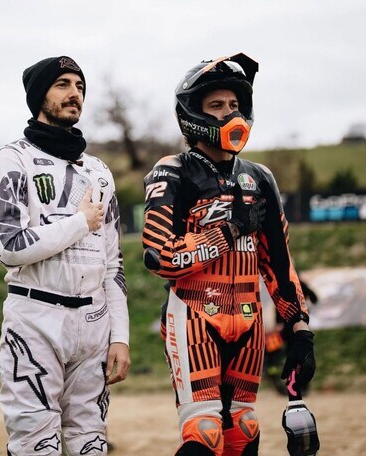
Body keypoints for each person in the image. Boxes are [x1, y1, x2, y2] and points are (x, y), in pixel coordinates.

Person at [142, 53, 316, 455]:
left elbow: (279, 263)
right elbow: (158, 257)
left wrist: (300, 330)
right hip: (193, 314)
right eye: (216, 106)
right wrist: (229, 230)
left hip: (250, 318)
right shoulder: (173, 171)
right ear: (192, 114)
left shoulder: (261, 178)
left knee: (244, 427)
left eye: (234, 106)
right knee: (204, 431)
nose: (229, 114)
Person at [0, 55, 130, 455]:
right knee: (38, 444)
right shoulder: (10, 159)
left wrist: (120, 336)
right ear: (39, 97)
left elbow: (114, 265)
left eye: (80, 87)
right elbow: (8, 247)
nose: (74, 94)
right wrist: (79, 223)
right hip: (35, 321)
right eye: (63, 85)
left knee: (91, 444)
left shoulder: (100, 171)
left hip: (94, 325)